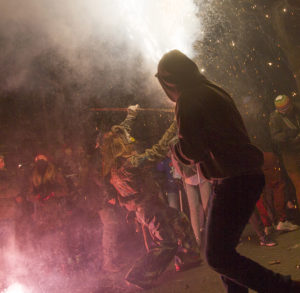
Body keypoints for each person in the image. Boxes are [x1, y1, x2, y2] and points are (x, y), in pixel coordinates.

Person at [155, 49, 300, 292]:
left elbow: (193, 151)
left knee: (216, 257)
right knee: (223, 253)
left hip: (234, 179)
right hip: (240, 176)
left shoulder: (188, 99)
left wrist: (175, 150)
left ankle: (286, 289)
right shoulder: (212, 89)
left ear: (169, 81)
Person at [101, 105, 201, 289]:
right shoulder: (130, 163)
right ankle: (137, 276)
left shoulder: (114, 164)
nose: (129, 139)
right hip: (148, 208)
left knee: (180, 219)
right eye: (126, 139)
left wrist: (131, 115)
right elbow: (159, 150)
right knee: (167, 243)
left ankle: (188, 257)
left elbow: (121, 132)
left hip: (147, 206)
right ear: (121, 144)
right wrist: (175, 124)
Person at [269, 94, 300, 213]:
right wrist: (290, 135)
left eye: (287, 109)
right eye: (282, 110)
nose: (285, 112)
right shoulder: (275, 118)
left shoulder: (298, 108)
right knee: (298, 185)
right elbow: (275, 137)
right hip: (290, 155)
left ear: (291, 104)